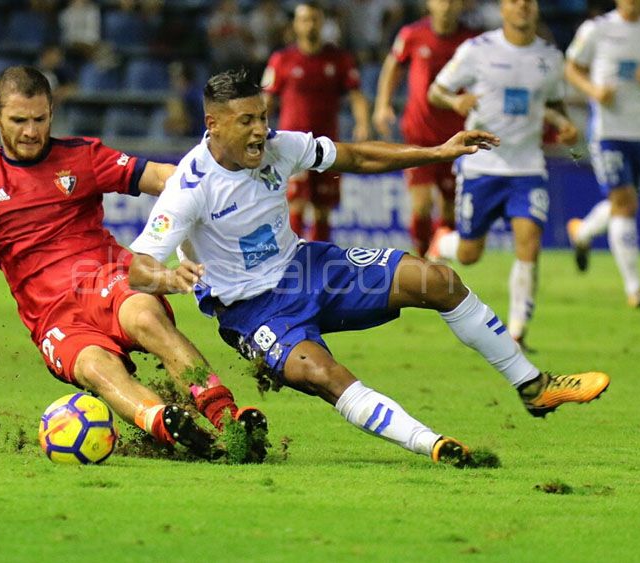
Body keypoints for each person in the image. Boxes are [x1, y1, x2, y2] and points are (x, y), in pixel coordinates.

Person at [126, 68, 609, 467]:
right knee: (323, 374)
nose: (260, 131)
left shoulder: (278, 145)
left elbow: (354, 155)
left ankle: (534, 385)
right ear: (213, 123)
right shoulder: (190, 188)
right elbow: (139, 268)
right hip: (252, 311)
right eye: (247, 121)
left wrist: (436, 152)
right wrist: (169, 278)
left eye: (264, 117)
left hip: (307, 266)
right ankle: (433, 446)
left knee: (435, 279)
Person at [0, 67, 266, 462]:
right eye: (19, 121)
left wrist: (223, 183)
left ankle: (227, 420)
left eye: (40, 120)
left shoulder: (82, 157)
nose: (31, 131)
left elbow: (163, 177)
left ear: (51, 113)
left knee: (145, 315)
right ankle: (168, 426)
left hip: (105, 278)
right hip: (50, 316)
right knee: (97, 368)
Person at [426, 0, 579, 350]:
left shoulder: (551, 58)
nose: (522, 6)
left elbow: (553, 104)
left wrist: (565, 126)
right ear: (502, 9)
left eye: (529, 1)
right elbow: (437, 90)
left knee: (529, 243)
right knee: (468, 254)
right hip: (481, 164)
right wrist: (456, 103)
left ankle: (517, 333)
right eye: (514, 1)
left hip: (527, 167)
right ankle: (442, 242)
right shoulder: (477, 50)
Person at [564, 0, 640, 308]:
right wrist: (593, 91)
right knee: (625, 205)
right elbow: (570, 67)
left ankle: (582, 232)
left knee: (624, 204)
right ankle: (635, 289)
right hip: (607, 132)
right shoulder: (597, 29)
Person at [373, 0, 477, 256]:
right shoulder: (412, 34)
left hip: (456, 136)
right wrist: (383, 105)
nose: (447, 6)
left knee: (450, 208)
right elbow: (393, 65)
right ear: (430, 4)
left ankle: (439, 264)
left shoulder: (472, 42)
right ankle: (420, 259)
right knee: (421, 204)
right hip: (418, 134)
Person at [262, 2, 372, 243]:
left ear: (322, 23)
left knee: (323, 210)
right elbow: (266, 100)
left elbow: (356, 96)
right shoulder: (282, 60)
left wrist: (362, 123)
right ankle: (293, 260)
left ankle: (319, 264)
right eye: (305, 20)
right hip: (290, 146)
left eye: (314, 19)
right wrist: (259, 130)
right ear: (296, 25)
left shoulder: (339, 59)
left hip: (326, 145)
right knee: (295, 205)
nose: (310, 24)